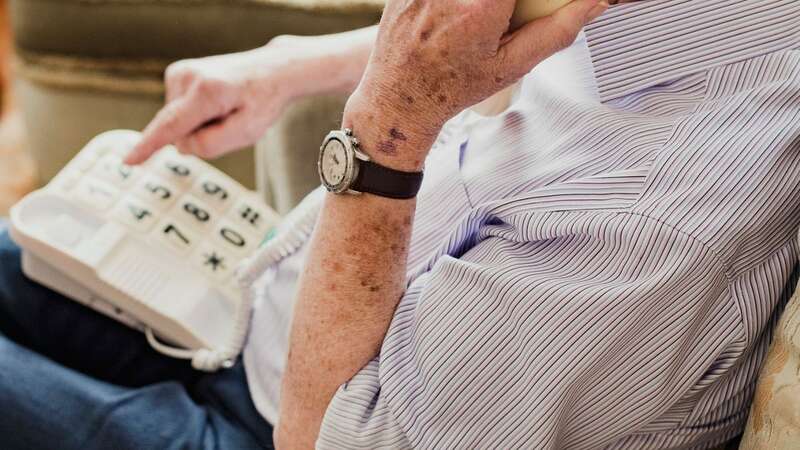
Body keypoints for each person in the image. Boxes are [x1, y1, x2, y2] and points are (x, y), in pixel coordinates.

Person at [2, 0, 799, 448]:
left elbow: (324, 443)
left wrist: (388, 123)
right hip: (253, 318)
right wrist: (294, 63)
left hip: (284, 428)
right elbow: (513, 27)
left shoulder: (648, 225)